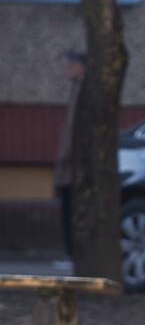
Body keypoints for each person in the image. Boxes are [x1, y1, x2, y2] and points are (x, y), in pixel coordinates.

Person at [54, 50, 85, 258]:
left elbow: (74, 131)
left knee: (72, 213)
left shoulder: (83, 91)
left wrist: (64, 160)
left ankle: (75, 255)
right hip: (71, 166)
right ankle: (73, 254)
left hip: (74, 167)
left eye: (70, 66)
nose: (67, 71)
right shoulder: (77, 90)